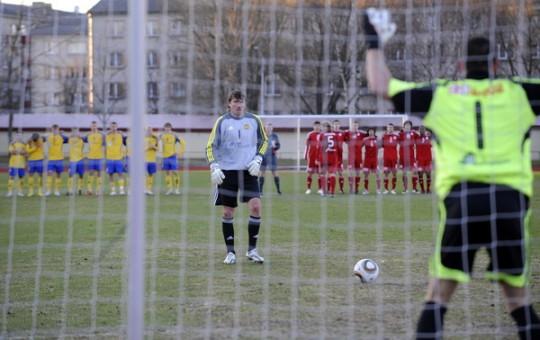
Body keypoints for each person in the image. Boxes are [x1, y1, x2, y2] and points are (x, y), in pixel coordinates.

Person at [364, 9, 540, 339]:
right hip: (509, 202)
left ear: (461, 67)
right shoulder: (519, 92)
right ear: (496, 66)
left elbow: (379, 84)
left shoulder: (442, 94)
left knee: (438, 296)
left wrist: (373, 42)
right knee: (517, 300)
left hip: (464, 201)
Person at [206, 90, 268, 264]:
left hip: (249, 171)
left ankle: (252, 250)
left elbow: (264, 141)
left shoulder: (254, 120)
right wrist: (214, 165)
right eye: (235, 102)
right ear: (229, 103)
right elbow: (210, 146)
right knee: (227, 212)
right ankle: (230, 252)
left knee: (256, 207)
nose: (239, 105)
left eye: (241, 102)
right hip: (228, 172)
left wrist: (258, 158)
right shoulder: (222, 121)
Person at [344, 121, 366, 194]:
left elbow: (370, 134)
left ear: (358, 126)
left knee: (358, 172)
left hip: (359, 156)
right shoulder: (348, 133)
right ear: (351, 126)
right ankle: (351, 188)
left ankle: (356, 188)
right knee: (350, 172)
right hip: (351, 156)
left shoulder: (361, 134)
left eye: (356, 126)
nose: (355, 127)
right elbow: (342, 134)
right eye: (354, 126)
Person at [160, 122, 183, 195]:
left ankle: (176, 189)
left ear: (170, 128)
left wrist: (179, 152)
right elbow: (155, 142)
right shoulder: (161, 136)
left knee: (175, 172)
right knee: (167, 173)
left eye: (168, 127)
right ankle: (169, 189)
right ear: (164, 128)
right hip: (165, 157)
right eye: (166, 127)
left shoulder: (174, 136)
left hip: (173, 157)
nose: (167, 128)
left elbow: (182, 143)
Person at [45, 124, 68, 196]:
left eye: (56, 129)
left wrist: (61, 134)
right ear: (52, 129)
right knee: (49, 173)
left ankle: (57, 191)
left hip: (59, 159)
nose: (55, 130)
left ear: (58, 129)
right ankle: (48, 191)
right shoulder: (49, 136)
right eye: (53, 129)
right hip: (51, 159)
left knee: (58, 174)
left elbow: (68, 139)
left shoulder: (62, 137)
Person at [259, 123, 282, 195]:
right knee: (262, 173)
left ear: (272, 128)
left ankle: (278, 190)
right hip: (263, 156)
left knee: (274, 172)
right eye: (267, 128)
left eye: (270, 128)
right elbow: (258, 145)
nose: (269, 129)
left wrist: (275, 147)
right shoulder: (262, 135)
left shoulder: (275, 136)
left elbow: (278, 145)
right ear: (265, 128)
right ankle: (260, 191)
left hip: (272, 156)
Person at [398, 120, 419, 193]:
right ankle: (405, 188)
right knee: (404, 173)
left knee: (415, 172)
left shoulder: (414, 134)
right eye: (406, 125)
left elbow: (420, 138)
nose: (407, 126)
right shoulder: (400, 134)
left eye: (409, 125)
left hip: (412, 157)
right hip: (403, 157)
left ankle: (414, 188)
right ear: (404, 127)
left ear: (411, 127)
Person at [105, 121, 126, 195]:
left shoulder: (121, 136)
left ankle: (121, 189)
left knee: (120, 173)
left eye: (115, 126)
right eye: (112, 126)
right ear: (110, 127)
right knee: (110, 174)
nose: (113, 128)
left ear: (117, 127)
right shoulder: (106, 136)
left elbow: (126, 144)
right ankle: (113, 190)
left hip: (118, 158)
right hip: (110, 158)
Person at [85, 121, 105, 195]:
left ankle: (98, 190)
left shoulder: (101, 135)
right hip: (91, 157)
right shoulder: (88, 135)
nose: (94, 127)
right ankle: (89, 189)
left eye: (95, 126)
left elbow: (105, 144)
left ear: (97, 126)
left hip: (99, 157)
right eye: (92, 126)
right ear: (90, 127)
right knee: (91, 172)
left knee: (99, 173)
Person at [320, 121, 338, 197]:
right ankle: (332, 193)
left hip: (325, 157)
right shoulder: (335, 135)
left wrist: (319, 158)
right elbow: (338, 147)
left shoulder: (322, 135)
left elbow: (320, 148)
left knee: (323, 174)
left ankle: (324, 192)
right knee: (332, 175)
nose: (323, 128)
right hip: (333, 156)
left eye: (324, 127)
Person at [304, 121, 323, 195]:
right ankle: (308, 189)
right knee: (310, 173)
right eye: (316, 126)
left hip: (320, 157)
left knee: (320, 173)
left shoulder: (323, 134)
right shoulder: (310, 134)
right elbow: (306, 146)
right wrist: (305, 156)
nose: (317, 127)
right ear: (313, 126)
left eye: (318, 126)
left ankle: (320, 189)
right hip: (311, 156)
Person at [6, 133, 27, 197]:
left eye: (20, 136)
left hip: (21, 164)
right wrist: (21, 152)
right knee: (11, 177)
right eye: (17, 136)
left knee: (21, 177)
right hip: (13, 164)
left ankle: (20, 192)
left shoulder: (24, 144)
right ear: (15, 137)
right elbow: (12, 152)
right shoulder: (12, 144)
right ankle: (10, 192)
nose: (18, 137)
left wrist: (19, 151)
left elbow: (26, 153)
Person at [361, 127, 381, 194]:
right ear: (368, 132)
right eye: (370, 131)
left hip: (375, 159)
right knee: (366, 175)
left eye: (372, 131)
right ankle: (366, 190)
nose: (371, 132)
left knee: (378, 174)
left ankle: (378, 189)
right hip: (367, 159)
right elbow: (360, 146)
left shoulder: (377, 139)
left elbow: (381, 146)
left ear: (374, 132)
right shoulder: (365, 139)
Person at [381, 123, 399, 194]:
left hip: (394, 158)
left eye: (391, 127)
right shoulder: (384, 137)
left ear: (393, 129)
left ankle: (393, 189)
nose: (390, 129)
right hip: (386, 158)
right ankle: (386, 189)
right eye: (389, 127)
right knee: (386, 173)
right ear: (387, 128)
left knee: (394, 173)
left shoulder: (396, 137)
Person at [67, 128, 85, 195]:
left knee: (81, 175)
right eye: (74, 132)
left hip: (80, 159)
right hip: (72, 160)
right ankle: (70, 190)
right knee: (70, 174)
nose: (76, 133)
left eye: (77, 132)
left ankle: (79, 189)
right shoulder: (70, 139)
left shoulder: (81, 140)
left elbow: (82, 147)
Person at [26, 132, 45, 197]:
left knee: (41, 175)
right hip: (31, 161)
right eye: (34, 140)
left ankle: (40, 190)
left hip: (39, 160)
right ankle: (31, 191)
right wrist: (34, 148)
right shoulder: (29, 142)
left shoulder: (40, 140)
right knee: (30, 175)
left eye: (36, 139)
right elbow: (28, 151)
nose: (35, 141)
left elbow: (45, 138)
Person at [416, 126, 433, 194]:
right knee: (420, 174)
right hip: (419, 159)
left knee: (428, 174)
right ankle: (422, 190)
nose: (421, 130)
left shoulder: (429, 138)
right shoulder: (416, 137)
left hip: (428, 159)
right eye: (420, 129)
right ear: (418, 130)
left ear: (425, 130)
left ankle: (428, 189)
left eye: (423, 129)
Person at [332, 119, 346, 194]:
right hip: (332, 156)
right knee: (330, 173)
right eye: (335, 124)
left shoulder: (342, 133)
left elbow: (347, 140)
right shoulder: (331, 133)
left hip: (340, 156)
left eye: (338, 124)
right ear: (333, 125)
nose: (336, 126)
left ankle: (341, 189)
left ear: (340, 125)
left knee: (340, 173)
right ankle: (329, 189)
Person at [145, 127, 159, 195]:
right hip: (144, 159)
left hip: (152, 160)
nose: (149, 132)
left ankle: (149, 189)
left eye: (151, 130)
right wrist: (148, 147)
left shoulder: (155, 138)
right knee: (144, 174)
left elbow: (157, 149)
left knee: (151, 174)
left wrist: (153, 146)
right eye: (148, 130)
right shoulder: (143, 138)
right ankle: (144, 188)